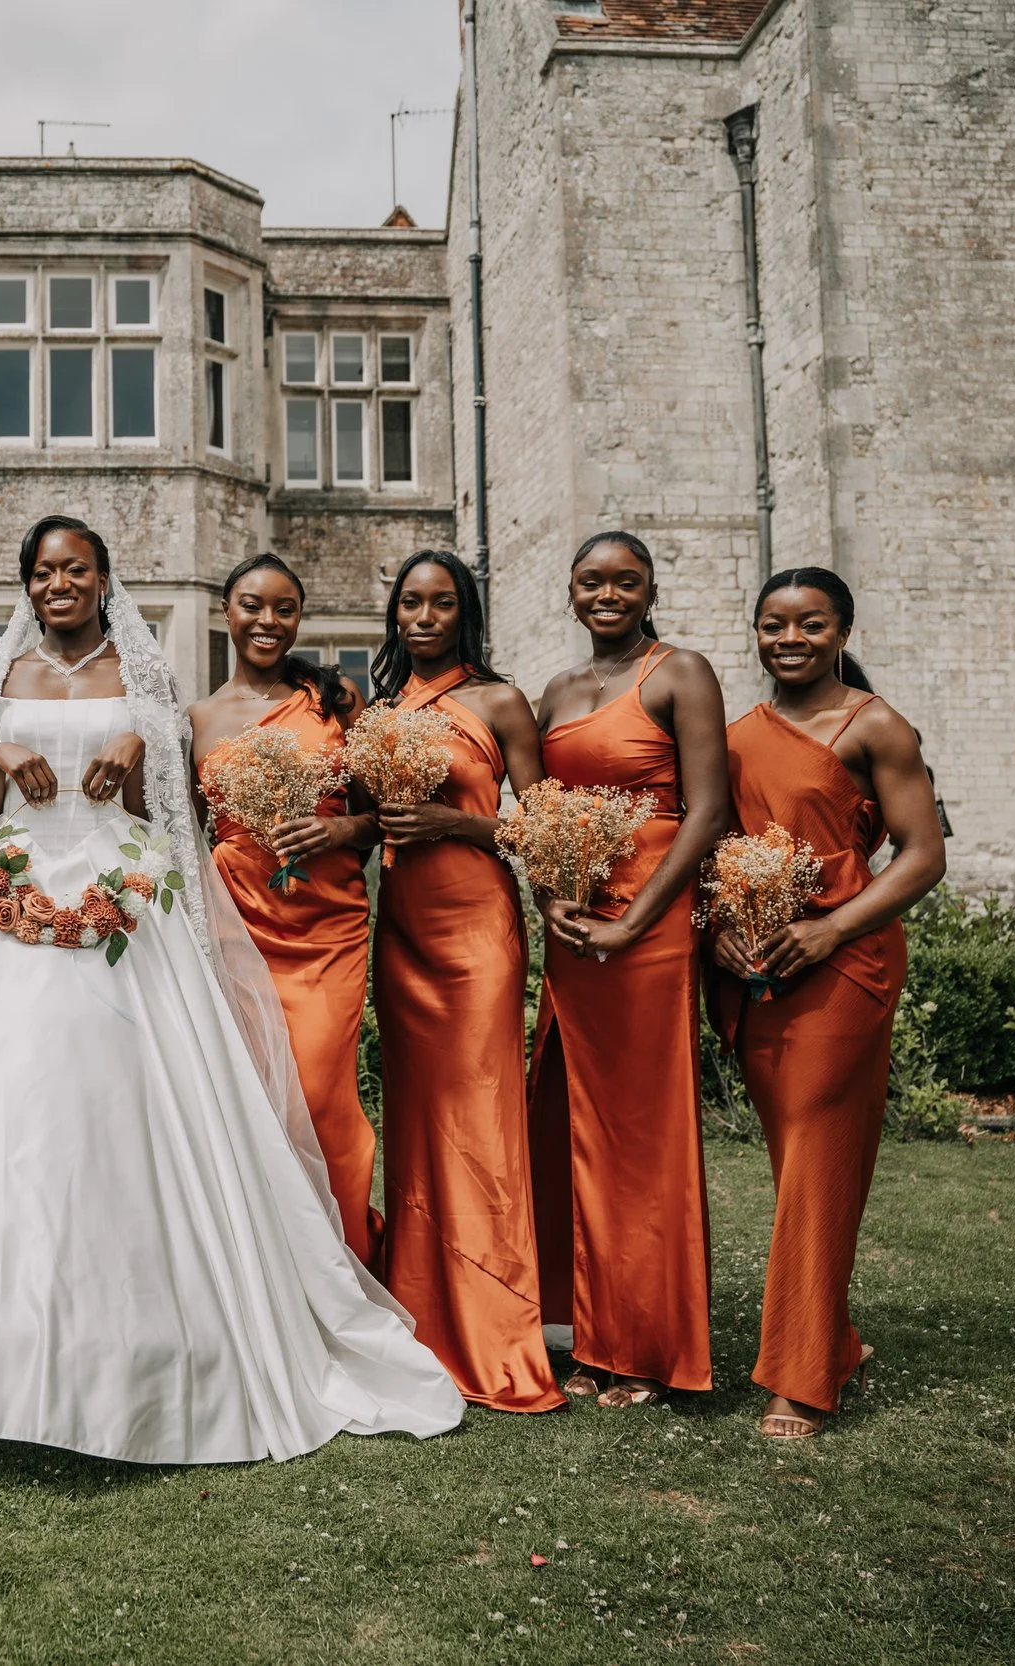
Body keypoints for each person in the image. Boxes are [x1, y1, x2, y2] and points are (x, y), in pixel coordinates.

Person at [0, 516, 464, 1464]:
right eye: (43, 573)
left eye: (75, 570)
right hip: (9, 895)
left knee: (125, 1102)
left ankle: (155, 1335)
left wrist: (134, 752)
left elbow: (172, 806)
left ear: (103, 579)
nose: (58, 586)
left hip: (124, 894)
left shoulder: (150, 677)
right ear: (27, 585)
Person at [715, 568, 945, 1439]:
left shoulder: (875, 725)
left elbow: (921, 856)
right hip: (760, 970)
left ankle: (804, 1380)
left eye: (811, 624)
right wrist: (716, 939)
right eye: (774, 625)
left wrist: (828, 932)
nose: (790, 639)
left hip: (842, 968)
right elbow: (716, 852)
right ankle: (833, 1338)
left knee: (814, 1160)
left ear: (842, 632)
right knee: (800, 1171)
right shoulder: (735, 737)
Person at [529, 531, 729, 1408]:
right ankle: (584, 1327)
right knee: (571, 1124)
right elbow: (539, 813)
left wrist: (638, 921)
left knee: (643, 1135)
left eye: (626, 582)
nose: (607, 595)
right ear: (570, 592)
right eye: (591, 582)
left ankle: (648, 1345)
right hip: (573, 930)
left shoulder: (681, 672)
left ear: (650, 591)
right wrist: (549, 904)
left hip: (648, 929)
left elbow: (708, 810)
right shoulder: (557, 692)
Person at [367, 551, 567, 1415]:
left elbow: (546, 829)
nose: (423, 617)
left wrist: (457, 821)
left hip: (480, 931)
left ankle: (495, 1326)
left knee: (483, 1116)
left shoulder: (500, 702)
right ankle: (418, 1312)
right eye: (410, 603)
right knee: (416, 1122)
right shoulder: (378, 711)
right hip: (401, 932)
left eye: (441, 604)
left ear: (464, 613)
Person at [187, 553, 383, 1262]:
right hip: (235, 921)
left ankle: (345, 1264)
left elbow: (382, 818)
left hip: (327, 922)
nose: (267, 621)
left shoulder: (338, 703)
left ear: (299, 618)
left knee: (323, 1099)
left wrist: (336, 829)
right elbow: (185, 833)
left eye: (283, 609)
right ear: (226, 612)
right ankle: (265, 1278)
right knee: (253, 1104)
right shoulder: (199, 717)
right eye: (251, 605)